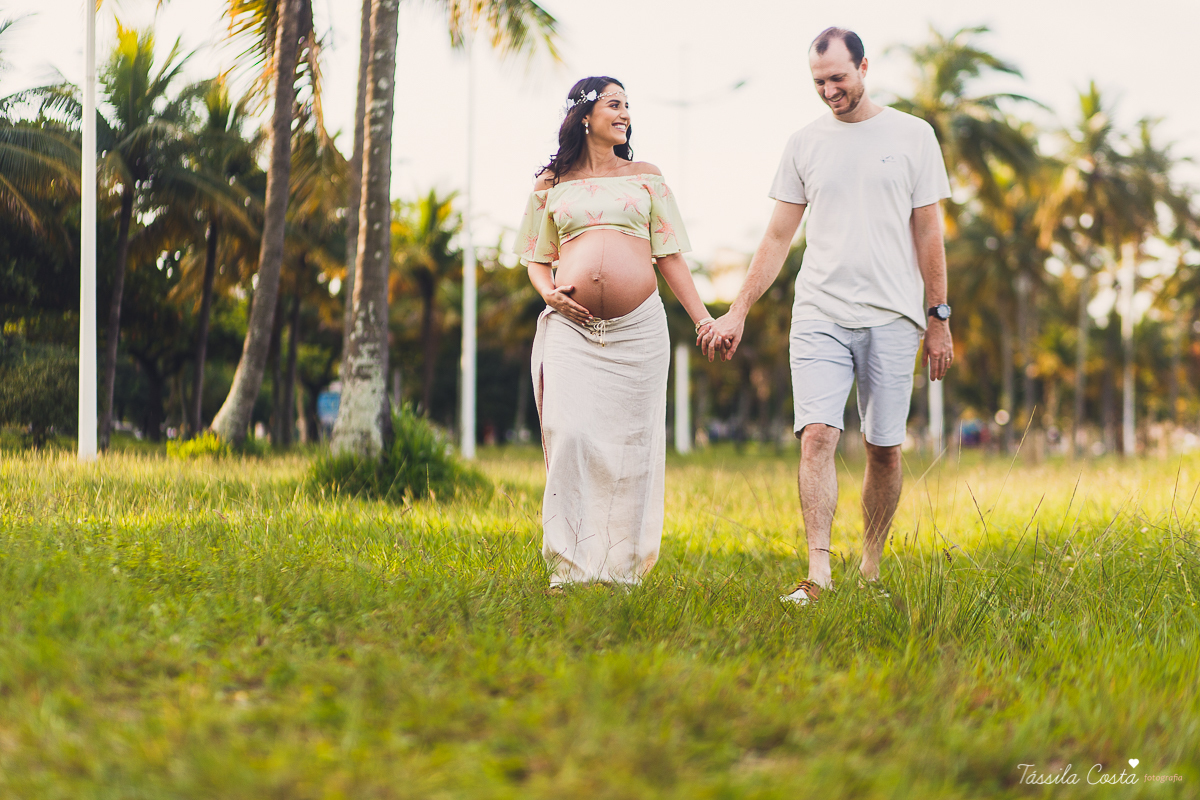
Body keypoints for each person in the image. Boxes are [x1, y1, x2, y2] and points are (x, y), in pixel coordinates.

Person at [701, 28, 954, 604]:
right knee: (817, 435)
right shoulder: (804, 143)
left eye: (839, 78)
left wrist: (938, 317)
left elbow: (929, 231)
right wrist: (737, 311)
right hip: (820, 311)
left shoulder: (914, 136)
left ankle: (869, 567)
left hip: (893, 316)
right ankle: (818, 574)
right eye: (819, 82)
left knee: (884, 447)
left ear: (864, 66)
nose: (829, 90)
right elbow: (777, 236)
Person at [516, 76, 719, 588]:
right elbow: (536, 257)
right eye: (614, 104)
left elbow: (668, 255)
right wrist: (548, 292)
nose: (625, 112)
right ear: (585, 116)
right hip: (572, 329)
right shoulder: (551, 183)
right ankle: (569, 568)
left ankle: (621, 573)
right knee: (570, 434)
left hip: (638, 331)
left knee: (633, 449)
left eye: (628, 105)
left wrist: (702, 319)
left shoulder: (647, 177)